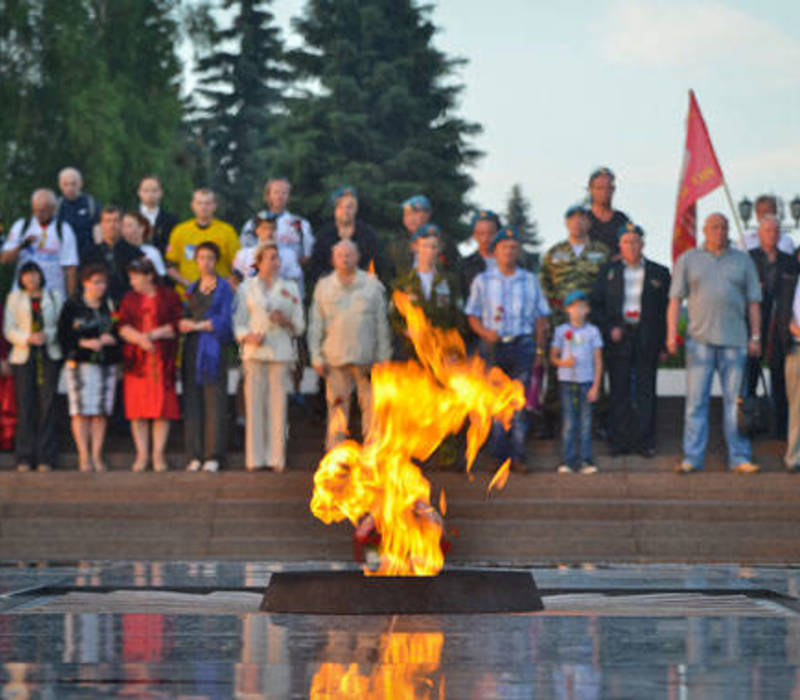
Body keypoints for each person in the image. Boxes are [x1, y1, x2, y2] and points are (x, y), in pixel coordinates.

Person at [667, 213, 762, 474]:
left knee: (735, 403)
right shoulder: (689, 259)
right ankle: (692, 458)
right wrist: (671, 333)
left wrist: (756, 337)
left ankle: (740, 457)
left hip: (736, 341)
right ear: (705, 231)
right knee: (696, 403)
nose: (719, 232)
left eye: (723, 227)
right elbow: (675, 300)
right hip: (700, 342)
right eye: (714, 227)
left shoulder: (743, 261)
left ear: (728, 230)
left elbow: (754, 302)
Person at [465, 226, 550, 473]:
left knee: (518, 402)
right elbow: (472, 315)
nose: (509, 251)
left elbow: (541, 318)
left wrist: (540, 351)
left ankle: (518, 455)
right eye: (504, 247)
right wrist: (483, 333)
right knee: (495, 401)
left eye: (514, 247)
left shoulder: (530, 280)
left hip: (522, 344)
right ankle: (497, 455)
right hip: (493, 346)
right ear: (495, 251)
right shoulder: (483, 280)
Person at [590, 223, 670, 457]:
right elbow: (595, 306)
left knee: (646, 391)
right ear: (620, 245)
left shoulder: (659, 272)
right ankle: (619, 442)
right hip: (619, 337)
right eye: (626, 242)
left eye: (636, 241)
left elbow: (667, 310)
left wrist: (665, 342)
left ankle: (645, 442)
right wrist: (609, 328)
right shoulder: (609, 271)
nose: (632, 246)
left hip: (647, 336)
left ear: (642, 244)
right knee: (619, 391)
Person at [308, 239, 392, 450]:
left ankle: (374, 454)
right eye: (340, 255)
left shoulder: (373, 285)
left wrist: (384, 357)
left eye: (349, 254)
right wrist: (316, 356)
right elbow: (316, 324)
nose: (345, 259)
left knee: (373, 410)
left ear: (357, 257)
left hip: (368, 359)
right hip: (334, 359)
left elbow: (382, 324)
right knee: (337, 410)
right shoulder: (324, 286)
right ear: (333, 259)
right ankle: (336, 456)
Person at [233, 241, 305, 471]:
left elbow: (300, 326)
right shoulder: (246, 288)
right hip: (254, 352)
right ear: (259, 262)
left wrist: (285, 321)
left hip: (281, 351)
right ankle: (255, 459)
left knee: (278, 406)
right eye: (270, 257)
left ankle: (276, 458)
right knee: (254, 406)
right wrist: (247, 336)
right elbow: (238, 323)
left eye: (277, 258)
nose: (275, 262)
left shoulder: (291, 288)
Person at [540, 205, 610, 436]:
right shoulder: (554, 253)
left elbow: (609, 284)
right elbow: (544, 284)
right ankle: (551, 419)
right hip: (561, 321)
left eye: (582, 220)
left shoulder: (601, 252)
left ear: (589, 223)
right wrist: (552, 311)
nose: (577, 224)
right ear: (566, 223)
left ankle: (598, 419)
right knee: (557, 368)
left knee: (595, 366)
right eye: (573, 220)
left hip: (592, 321)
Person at [118, 258, 183, 472]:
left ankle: (158, 455)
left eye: (136, 276)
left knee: (161, 410)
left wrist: (153, 334)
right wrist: (140, 339)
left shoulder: (169, 296)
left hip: (161, 360)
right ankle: (142, 454)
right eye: (131, 277)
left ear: (150, 276)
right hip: (137, 361)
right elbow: (122, 325)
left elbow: (176, 324)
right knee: (138, 411)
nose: (133, 281)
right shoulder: (129, 298)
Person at [57, 263, 121, 472]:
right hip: (80, 363)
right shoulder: (73, 305)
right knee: (81, 411)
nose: (100, 287)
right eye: (96, 282)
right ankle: (83, 455)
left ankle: (96, 454)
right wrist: (83, 342)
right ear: (85, 283)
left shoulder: (109, 306)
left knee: (100, 411)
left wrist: (111, 339)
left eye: (103, 282)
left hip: (105, 363)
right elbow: (63, 335)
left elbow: (120, 331)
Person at [179, 242, 234, 472]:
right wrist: (184, 324)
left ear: (216, 260)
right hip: (192, 347)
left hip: (214, 348)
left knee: (215, 401)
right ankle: (195, 454)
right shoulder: (191, 288)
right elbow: (183, 318)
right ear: (196, 260)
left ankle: (213, 455)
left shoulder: (223, 288)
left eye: (210, 257)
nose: (205, 262)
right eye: (201, 257)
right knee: (192, 401)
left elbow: (226, 321)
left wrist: (200, 325)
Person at [3, 262, 64, 472]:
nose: (31, 279)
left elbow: (61, 324)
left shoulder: (53, 296)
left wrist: (48, 335)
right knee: (25, 405)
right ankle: (24, 456)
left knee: (47, 405)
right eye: (27, 275)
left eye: (34, 275)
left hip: (49, 353)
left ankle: (46, 456)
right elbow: (9, 329)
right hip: (23, 355)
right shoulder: (14, 298)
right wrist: (26, 337)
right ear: (21, 279)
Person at [746, 214, 798, 438]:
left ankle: (781, 430)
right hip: (753, 325)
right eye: (768, 231)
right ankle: (749, 423)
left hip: (780, 327)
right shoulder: (748, 259)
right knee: (750, 376)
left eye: (776, 231)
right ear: (759, 234)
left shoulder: (790, 261)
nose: (772, 235)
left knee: (779, 379)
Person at [550, 290, 603, 474]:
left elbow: (598, 360)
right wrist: (564, 362)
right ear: (567, 310)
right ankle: (568, 460)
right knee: (569, 422)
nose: (577, 311)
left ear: (587, 309)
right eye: (573, 307)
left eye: (581, 307)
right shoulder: (561, 331)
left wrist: (596, 386)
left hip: (586, 381)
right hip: (566, 380)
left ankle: (586, 460)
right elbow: (553, 357)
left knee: (586, 422)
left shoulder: (592, 331)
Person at [389, 223, 462, 357]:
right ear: (415, 247)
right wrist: (406, 331)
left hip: (442, 349)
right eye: (424, 246)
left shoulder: (449, 281)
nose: (429, 251)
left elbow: (457, 316)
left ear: (439, 249)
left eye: (433, 247)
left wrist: (453, 346)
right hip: (412, 349)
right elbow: (393, 318)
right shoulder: (403, 283)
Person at [1, 188, 79, 298]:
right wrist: (22, 245)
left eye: (43, 210)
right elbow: (4, 259)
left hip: (53, 294)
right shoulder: (22, 226)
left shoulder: (63, 230)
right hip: (22, 294)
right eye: (35, 210)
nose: (38, 214)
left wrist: (71, 299)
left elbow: (71, 268)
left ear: (53, 209)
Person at [166, 188, 240, 296]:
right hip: (188, 297)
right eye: (199, 203)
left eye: (208, 203)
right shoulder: (180, 231)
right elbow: (170, 266)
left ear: (215, 206)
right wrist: (190, 286)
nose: (203, 207)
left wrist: (224, 285)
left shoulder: (227, 231)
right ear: (192, 205)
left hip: (217, 296)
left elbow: (238, 266)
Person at [308, 187, 386, 289]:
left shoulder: (368, 235)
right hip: (332, 289)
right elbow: (316, 266)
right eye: (340, 207)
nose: (345, 211)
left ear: (356, 209)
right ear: (335, 210)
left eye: (349, 207)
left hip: (362, 289)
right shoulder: (324, 236)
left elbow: (377, 264)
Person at [239, 177, 315, 266]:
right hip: (261, 275)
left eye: (284, 192)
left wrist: (289, 265)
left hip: (290, 275)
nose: (280, 196)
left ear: (288, 196)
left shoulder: (301, 224)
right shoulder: (253, 223)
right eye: (276, 192)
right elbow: (245, 252)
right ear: (268, 195)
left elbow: (307, 256)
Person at [82, 206, 144, 304]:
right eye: (108, 221)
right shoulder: (89, 254)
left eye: (116, 221)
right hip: (98, 305)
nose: (112, 225)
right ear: (101, 224)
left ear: (121, 224)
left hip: (129, 304)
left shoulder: (135, 253)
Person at [232, 211, 303, 296]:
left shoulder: (289, 255)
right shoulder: (243, 255)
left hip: (279, 302)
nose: (269, 232)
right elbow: (234, 282)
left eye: (272, 228)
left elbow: (295, 284)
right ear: (257, 230)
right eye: (265, 228)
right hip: (249, 302)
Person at [56, 167, 101, 259]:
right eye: (66, 184)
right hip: (63, 257)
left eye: (73, 184)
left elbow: (98, 229)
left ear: (81, 184)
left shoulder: (91, 204)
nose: (70, 188)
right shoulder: (56, 207)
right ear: (60, 185)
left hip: (88, 257)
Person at [585, 167, 630, 256]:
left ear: (613, 189)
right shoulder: (582, 219)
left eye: (608, 188)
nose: (604, 192)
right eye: (599, 188)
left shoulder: (621, 219)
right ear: (590, 190)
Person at [137, 175, 178, 256]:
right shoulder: (130, 217)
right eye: (146, 190)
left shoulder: (171, 219)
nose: (150, 194)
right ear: (139, 193)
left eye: (154, 191)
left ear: (161, 193)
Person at [462, 209, 500, 295]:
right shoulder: (466, 265)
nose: (485, 238)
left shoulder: (513, 264)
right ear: (474, 235)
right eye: (481, 233)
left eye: (491, 233)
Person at [121, 211, 167, 278]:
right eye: (123, 226)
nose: (124, 230)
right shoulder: (119, 250)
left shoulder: (152, 252)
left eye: (129, 225)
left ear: (142, 228)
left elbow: (161, 276)